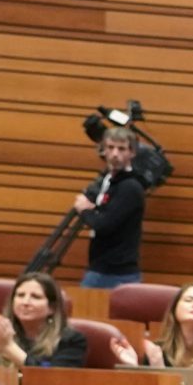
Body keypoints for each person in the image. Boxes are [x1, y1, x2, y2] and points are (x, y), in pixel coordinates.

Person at [76, 124, 147, 290]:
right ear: (103, 150)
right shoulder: (109, 181)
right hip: (103, 268)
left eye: (122, 149)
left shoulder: (130, 187)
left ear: (132, 153)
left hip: (115, 273)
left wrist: (85, 210)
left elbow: (104, 225)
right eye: (111, 148)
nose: (115, 154)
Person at [0, 271, 87, 369]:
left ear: (52, 308)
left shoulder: (71, 340)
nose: (25, 302)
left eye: (35, 297)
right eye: (20, 295)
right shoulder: (4, 332)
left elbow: (53, 377)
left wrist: (9, 347)